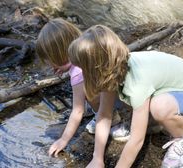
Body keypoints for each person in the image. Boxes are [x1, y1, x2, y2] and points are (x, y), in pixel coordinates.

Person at [68, 24, 183, 167]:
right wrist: (97, 158)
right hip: (166, 88)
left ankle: (180, 138)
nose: (81, 73)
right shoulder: (111, 70)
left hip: (178, 89)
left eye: (83, 68)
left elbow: (136, 141)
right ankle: (152, 122)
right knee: (137, 102)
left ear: (97, 67)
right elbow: (104, 115)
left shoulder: (137, 82)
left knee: (160, 107)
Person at [36, 18, 131, 157]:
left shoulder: (77, 73)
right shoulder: (86, 49)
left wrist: (63, 140)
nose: (51, 67)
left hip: (119, 98)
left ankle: (113, 120)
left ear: (60, 55)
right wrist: (65, 67)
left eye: (52, 63)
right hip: (118, 88)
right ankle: (102, 112)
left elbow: (77, 110)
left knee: (87, 91)